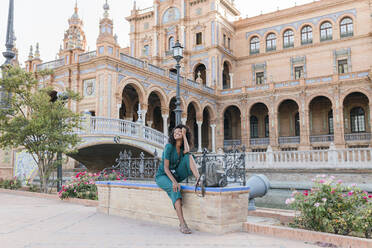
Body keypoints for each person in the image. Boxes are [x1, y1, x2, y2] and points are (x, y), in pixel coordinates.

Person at [155, 124, 201, 234]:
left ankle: (199, 180)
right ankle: (182, 223)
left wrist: (184, 135)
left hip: (175, 174)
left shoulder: (181, 148)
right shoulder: (169, 147)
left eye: (179, 132)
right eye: (175, 133)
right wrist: (175, 182)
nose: (176, 134)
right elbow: (166, 168)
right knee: (175, 189)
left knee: (189, 156)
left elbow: (188, 150)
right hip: (163, 175)